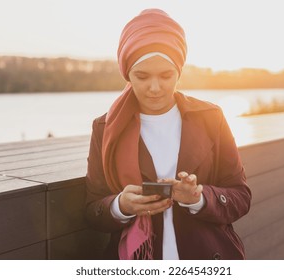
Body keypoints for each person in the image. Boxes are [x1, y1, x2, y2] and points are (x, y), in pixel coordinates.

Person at [85, 8, 251, 260]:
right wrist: (121, 206)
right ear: (127, 73)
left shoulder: (211, 117)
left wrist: (199, 198)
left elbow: (240, 196)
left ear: (179, 72)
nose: (154, 87)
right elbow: (93, 209)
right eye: (141, 76)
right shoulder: (104, 128)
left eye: (166, 75)